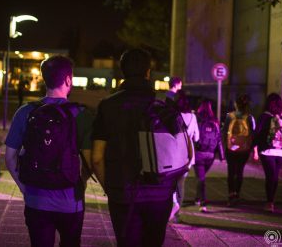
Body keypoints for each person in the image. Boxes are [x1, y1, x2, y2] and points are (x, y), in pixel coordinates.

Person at [92, 49, 177, 247]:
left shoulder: (107, 106)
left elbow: (97, 158)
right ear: (148, 72)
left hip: (123, 193)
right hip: (159, 194)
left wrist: (110, 188)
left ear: (123, 72)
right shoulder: (164, 105)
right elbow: (186, 154)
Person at [5, 56, 93, 247]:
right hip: (71, 202)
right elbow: (91, 160)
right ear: (68, 80)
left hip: (35, 199)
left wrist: (23, 186)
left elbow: (10, 157)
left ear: (45, 79)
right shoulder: (81, 114)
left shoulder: (25, 112)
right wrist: (81, 182)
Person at [253, 93, 282, 212]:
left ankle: (269, 202)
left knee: (270, 176)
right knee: (275, 175)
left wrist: (254, 148)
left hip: (268, 151)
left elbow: (257, 134)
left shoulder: (264, 117)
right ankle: (272, 201)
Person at [169, 90, 200, 221]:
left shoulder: (173, 115)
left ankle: (172, 206)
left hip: (174, 151)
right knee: (181, 184)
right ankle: (177, 213)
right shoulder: (193, 117)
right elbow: (197, 137)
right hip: (188, 153)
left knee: (171, 184)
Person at [222, 93, 256, 206]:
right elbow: (253, 134)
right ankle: (237, 194)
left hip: (231, 148)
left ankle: (230, 195)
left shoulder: (229, 116)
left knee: (231, 171)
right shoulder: (249, 117)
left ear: (236, 104)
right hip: (244, 149)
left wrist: (224, 147)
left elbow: (224, 132)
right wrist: (253, 149)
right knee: (240, 171)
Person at [193, 99, 225, 212]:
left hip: (199, 154)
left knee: (201, 179)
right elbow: (219, 139)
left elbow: (192, 135)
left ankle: (203, 202)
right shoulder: (215, 121)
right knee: (201, 178)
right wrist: (222, 156)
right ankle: (197, 198)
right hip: (210, 155)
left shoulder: (197, 119)